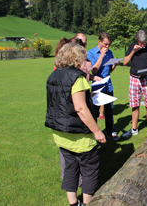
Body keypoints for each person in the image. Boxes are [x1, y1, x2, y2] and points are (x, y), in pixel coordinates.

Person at [45, 42, 106, 206]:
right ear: (77, 58)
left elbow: (63, 100)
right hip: (78, 134)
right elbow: (80, 108)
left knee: (70, 169)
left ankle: (73, 203)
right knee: (89, 170)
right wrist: (97, 132)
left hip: (60, 133)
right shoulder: (77, 77)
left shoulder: (54, 75)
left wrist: (87, 95)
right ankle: (86, 204)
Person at [122, 30, 147, 138]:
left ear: (146, 40)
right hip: (134, 79)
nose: (142, 45)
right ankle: (134, 129)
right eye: (140, 43)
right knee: (134, 105)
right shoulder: (132, 47)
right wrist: (133, 51)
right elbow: (125, 63)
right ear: (137, 40)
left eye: (144, 42)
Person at [87, 32, 120, 141]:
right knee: (95, 112)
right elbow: (94, 70)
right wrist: (101, 55)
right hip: (97, 86)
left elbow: (109, 70)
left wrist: (114, 65)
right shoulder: (91, 53)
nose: (107, 46)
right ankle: (94, 136)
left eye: (108, 44)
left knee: (109, 110)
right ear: (99, 42)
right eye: (105, 44)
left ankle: (110, 132)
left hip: (108, 85)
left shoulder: (109, 52)